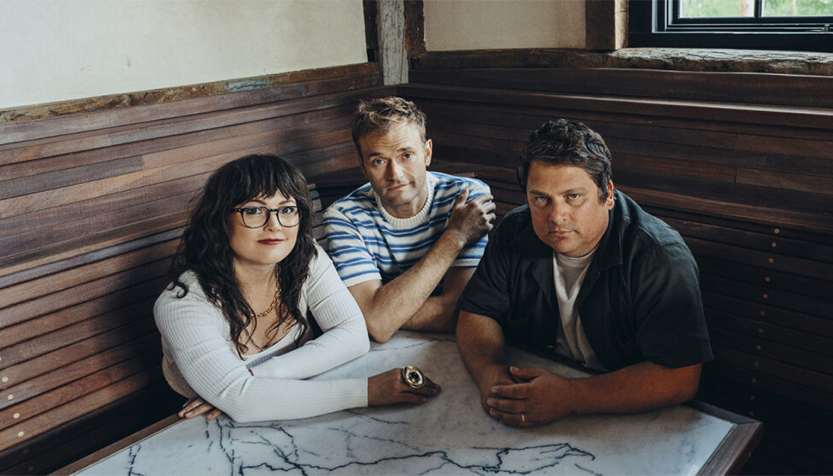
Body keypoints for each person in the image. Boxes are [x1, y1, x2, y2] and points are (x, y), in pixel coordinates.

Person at [456, 119, 713, 428]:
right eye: (541, 198)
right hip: (537, 392)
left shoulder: (658, 256)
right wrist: (489, 376)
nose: (556, 216)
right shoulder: (515, 230)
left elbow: (681, 376)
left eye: (573, 197)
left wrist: (571, 397)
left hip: (629, 412)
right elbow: (477, 313)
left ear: (607, 195)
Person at [154, 154, 440, 423]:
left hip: (298, 401)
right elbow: (242, 403)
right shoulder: (183, 302)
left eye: (287, 209)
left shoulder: (305, 258)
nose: (274, 225)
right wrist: (367, 392)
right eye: (254, 211)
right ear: (220, 220)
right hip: (191, 425)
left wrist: (253, 377)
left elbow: (353, 336)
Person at [323, 97, 496, 343]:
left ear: (426, 153)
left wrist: (383, 313)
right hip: (387, 348)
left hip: (459, 341)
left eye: (406, 155)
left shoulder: (467, 197)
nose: (395, 174)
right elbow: (377, 324)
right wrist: (455, 236)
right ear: (363, 168)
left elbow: (459, 311)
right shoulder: (344, 216)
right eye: (379, 161)